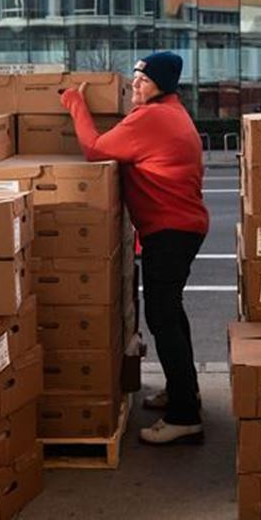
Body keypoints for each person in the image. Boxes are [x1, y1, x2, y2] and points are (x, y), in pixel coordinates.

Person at [61, 51, 209, 445]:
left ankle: (184, 416)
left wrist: (75, 103)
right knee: (171, 315)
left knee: (163, 320)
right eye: (135, 77)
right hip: (180, 228)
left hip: (170, 231)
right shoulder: (172, 113)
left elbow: (93, 148)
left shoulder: (153, 118)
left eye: (143, 79)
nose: (135, 85)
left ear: (162, 84)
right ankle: (185, 392)